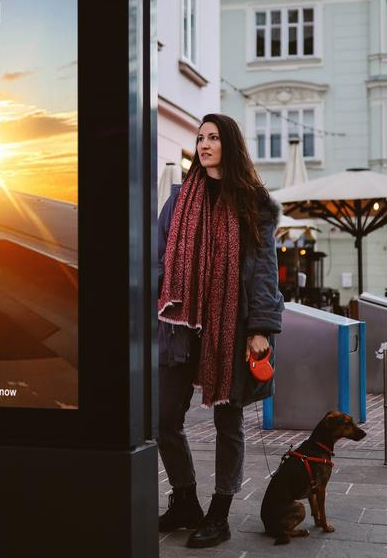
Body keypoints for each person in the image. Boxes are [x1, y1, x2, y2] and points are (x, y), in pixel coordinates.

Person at [155, 113, 284, 549]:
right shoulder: (178, 200)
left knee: (228, 421)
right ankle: (185, 499)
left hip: (231, 325)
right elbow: (159, 259)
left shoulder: (253, 202)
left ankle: (220, 510)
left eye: (213, 137)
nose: (205, 143)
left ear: (229, 143)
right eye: (200, 137)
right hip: (181, 326)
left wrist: (262, 327)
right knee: (165, 417)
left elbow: (265, 270)